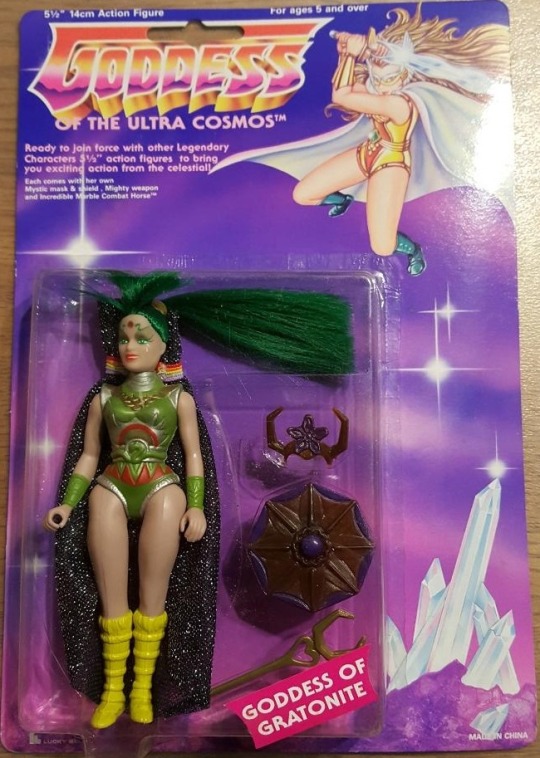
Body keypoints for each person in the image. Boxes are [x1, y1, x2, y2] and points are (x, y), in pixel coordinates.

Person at [43, 271, 354, 728]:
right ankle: (111, 690)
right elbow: (89, 455)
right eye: (125, 336)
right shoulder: (104, 397)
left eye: (142, 337)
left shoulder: (178, 399)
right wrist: (68, 504)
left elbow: (193, 457)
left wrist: (195, 506)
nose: (131, 345)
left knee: (154, 594)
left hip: (161, 487)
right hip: (112, 485)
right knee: (112, 596)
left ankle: (143, 688)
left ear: (162, 345)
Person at [213, 6, 510, 276]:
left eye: (386, 64)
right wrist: (347, 53)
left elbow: (342, 95)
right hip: (368, 152)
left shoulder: (400, 104)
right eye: (377, 63)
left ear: (404, 72)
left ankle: (412, 249)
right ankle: (341, 197)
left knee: (382, 247)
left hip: (390, 164)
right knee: (303, 194)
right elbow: (347, 89)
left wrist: (348, 55)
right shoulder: (374, 88)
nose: (379, 68)